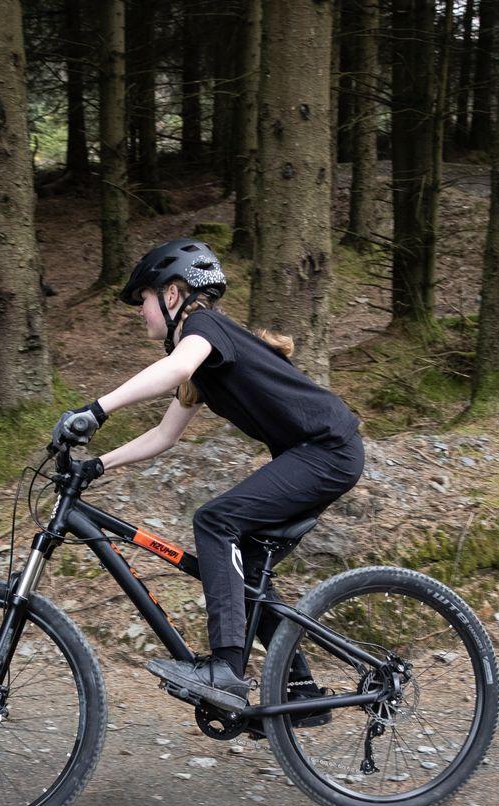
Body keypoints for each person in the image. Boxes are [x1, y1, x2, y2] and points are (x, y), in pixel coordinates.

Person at [50, 238, 366, 717]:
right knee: (247, 573)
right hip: (318, 454)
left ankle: (225, 670)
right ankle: (301, 690)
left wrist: (97, 409)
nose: (141, 312)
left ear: (172, 295)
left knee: (216, 521)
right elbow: (164, 435)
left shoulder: (205, 327)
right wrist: (98, 465)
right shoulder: (203, 360)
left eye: (144, 299)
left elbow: (174, 366)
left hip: (327, 451)